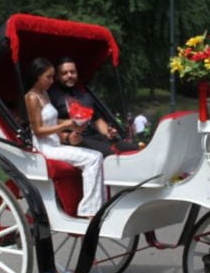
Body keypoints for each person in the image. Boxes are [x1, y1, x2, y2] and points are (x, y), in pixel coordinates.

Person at [25, 58, 104, 217]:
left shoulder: (44, 94)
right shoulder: (31, 97)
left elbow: (53, 120)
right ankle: (90, 210)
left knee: (96, 156)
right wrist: (64, 126)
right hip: (45, 147)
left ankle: (94, 207)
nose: (52, 81)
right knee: (94, 158)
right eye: (48, 77)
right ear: (37, 76)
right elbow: (38, 130)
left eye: (52, 76)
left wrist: (72, 124)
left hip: (55, 144)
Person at [48, 56, 136, 156]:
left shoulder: (84, 95)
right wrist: (66, 137)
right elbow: (48, 123)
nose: (69, 75)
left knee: (132, 148)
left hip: (95, 136)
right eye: (64, 73)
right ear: (57, 76)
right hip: (75, 139)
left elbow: (96, 119)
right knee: (112, 153)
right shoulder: (51, 96)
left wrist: (108, 132)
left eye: (72, 72)